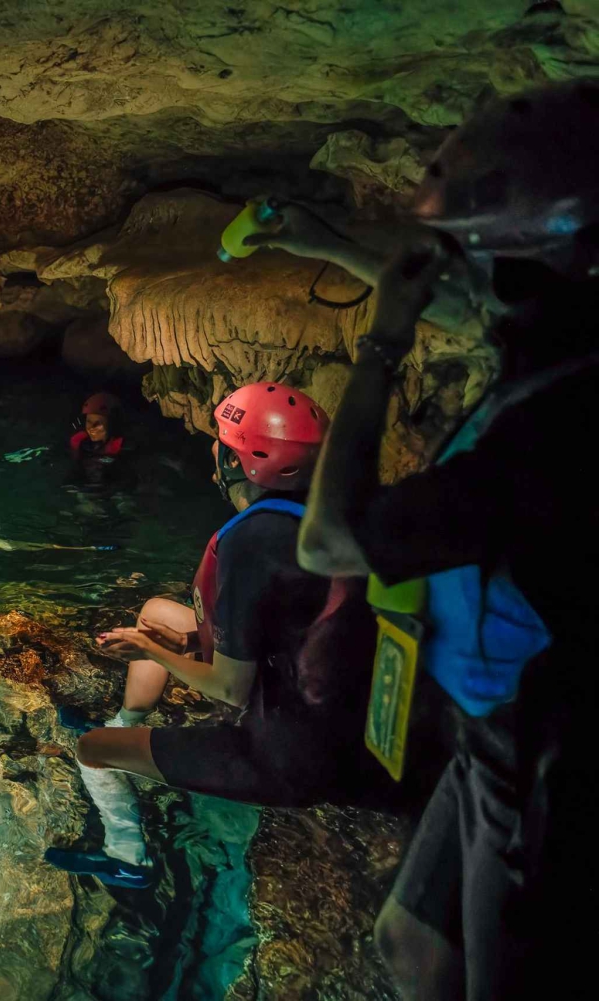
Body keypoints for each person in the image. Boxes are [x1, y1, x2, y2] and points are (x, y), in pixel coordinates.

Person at [292, 83, 599, 1001]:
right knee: (413, 943)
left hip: (546, 759)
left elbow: (329, 540)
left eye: (469, 256)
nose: (455, 277)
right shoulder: (562, 358)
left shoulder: (561, 432)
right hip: (494, 733)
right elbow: (474, 314)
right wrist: (319, 241)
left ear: (531, 264)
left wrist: (381, 340)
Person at [46, 382, 381, 889]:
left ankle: (128, 856)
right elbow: (293, 624)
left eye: (224, 444)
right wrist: (184, 642)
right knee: (160, 612)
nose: (215, 453)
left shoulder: (252, 541)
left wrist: (149, 648)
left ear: (244, 462)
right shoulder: (322, 520)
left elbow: (229, 688)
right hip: (337, 718)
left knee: (93, 749)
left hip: (286, 754)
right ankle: (126, 717)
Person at [69, 392, 126, 486]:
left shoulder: (122, 447)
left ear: (111, 424)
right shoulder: (81, 443)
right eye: (88, 421)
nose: (91, 428)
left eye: (98, 423)